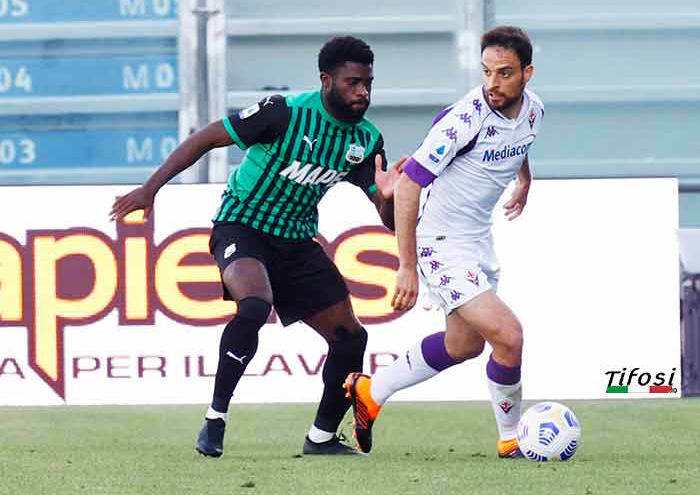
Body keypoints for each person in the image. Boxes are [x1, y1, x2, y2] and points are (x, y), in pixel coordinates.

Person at [110, 36, 405, 457]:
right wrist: (150, 188)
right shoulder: (283, 113)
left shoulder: (366, 141)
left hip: (298, 241)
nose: (363, 92)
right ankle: (215, 418)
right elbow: (208, 137)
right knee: (254, 305)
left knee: (350, 339)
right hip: (242, 225)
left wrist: (391, 199)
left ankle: (321, 438)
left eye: (368, 83)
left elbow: (386, 218)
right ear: (326, 80)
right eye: (353, 82)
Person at [344, 26, 543, 458]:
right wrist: (406, 265)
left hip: (477, 239)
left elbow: (521, 140)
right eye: (487, 72)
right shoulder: (464, 120)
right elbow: (411, 185)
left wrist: (524, 180)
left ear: (527, 74)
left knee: (463, 346)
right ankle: (511, 439)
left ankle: (371, 391)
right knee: (509, 336)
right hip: (439, 242)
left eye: (504, 73)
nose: (493, 83)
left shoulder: (533, 111)